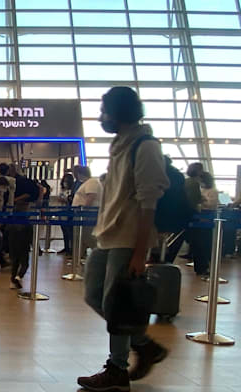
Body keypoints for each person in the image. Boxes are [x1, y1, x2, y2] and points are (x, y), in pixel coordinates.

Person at [78, 86, 170, 391]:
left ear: (119, 111)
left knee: (116, 303)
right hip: (107, 234)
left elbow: (149, 202)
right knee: (94, 295)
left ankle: (116, 367)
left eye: (104, 110)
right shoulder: (119, 145)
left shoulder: (145, 146)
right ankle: (143, 343)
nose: (101, 117)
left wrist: (139, 253)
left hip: (129, 236)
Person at [7, 166, 40, 289]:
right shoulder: (27, 223)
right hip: (24, 245)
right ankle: (18, 277)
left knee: (14, 261)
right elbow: (32, 236)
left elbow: (7, 234)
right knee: (24, 262)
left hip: (14, 243)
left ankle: (13, 278)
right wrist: (37, 248)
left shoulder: (13, 222)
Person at [72, 165, 103, 258]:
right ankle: (77, 257)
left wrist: (84, 209)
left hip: (86, 215)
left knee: (87, 236)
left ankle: (99, 255)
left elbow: (91, 196)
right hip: (82, 214)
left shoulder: (92, 182)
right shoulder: (87, 183)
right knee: (80, 237)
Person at [58, 173, 76, 256]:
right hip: (62, 211)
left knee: (69, 231)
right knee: (64, 231)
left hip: (69, 212)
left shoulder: (72, 190)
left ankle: (71, 248)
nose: (65, 182)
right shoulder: (62, 190)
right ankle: (66, 247)